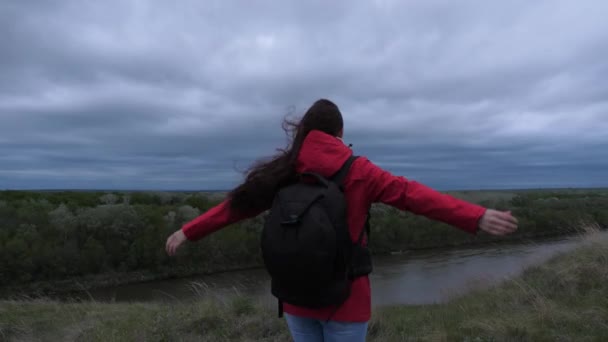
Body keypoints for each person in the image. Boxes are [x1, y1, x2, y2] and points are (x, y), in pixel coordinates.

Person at [165, 98, 518, 342]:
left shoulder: (284, 172)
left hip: (295, 295)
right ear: (338, 134)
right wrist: (476, 216)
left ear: (303, 131)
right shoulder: (360, 172)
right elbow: (413, 196)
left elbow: (234, 208)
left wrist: (187, 230)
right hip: (346, 300)